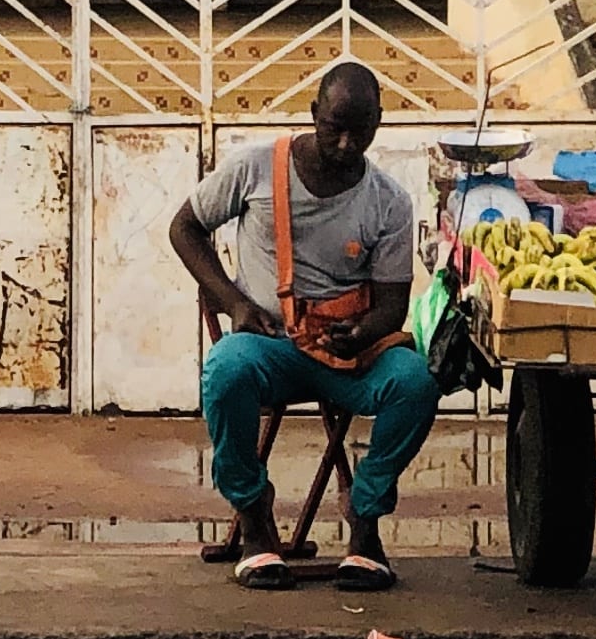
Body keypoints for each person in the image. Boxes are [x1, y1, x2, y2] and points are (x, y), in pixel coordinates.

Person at [167, 59, 435, 592]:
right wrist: (235, 303)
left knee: (416, 382)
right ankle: (255, 519)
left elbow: (392, 306)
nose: (344, 144)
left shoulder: (390, 202)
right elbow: (185, 228)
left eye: (360, 131)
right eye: (334, 127)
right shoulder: (256, 168)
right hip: (269, 348)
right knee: (224, 371)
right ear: (313, 113)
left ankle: (365, 521)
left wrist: (362, 332)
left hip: (348, 358)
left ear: (378, 124)